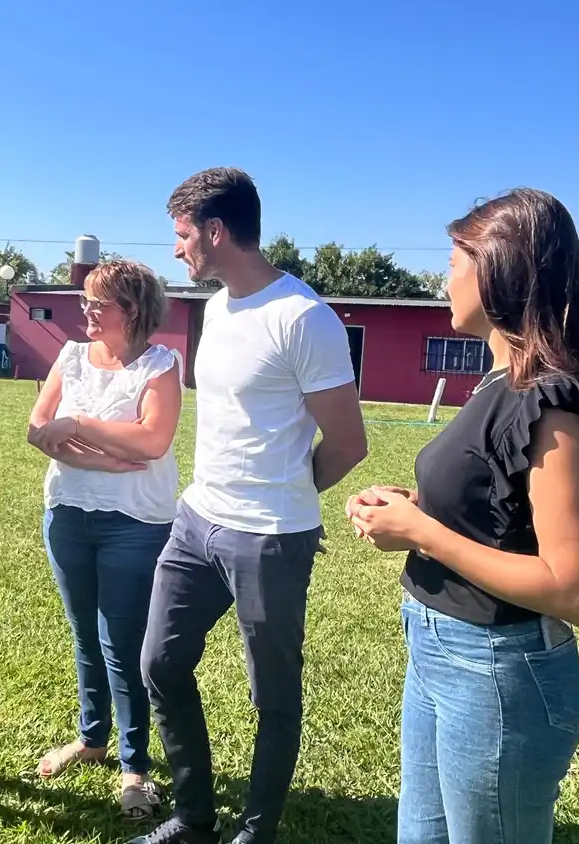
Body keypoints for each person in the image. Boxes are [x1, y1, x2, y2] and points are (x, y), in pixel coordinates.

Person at [346, 188, 579, 844]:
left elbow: (574, 590)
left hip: (497, 672)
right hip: (441, 653)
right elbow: (500, 511)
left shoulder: (552, 405)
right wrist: (417, 507)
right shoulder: (495, 384)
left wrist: (421, 532)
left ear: (498, 269)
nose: (442, 278)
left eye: (454, 260)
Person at [134, 168, 370, 844]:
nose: (177, 250)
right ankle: (193, 817)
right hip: (196, 521)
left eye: (182, 236)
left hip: (269, 536)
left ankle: (255, 833)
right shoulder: (215, 308)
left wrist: (287, 498)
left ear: (215, 231)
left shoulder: (303, 318)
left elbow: (348, 442)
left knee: (272, 698)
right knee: (161, 663)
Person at [25, 260, 184, 824]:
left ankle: (135, 767)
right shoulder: (70, 357)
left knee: (123, 643)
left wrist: (78, 427)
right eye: (85, 301)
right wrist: (84, 451)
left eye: (99, 303)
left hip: (135, 523)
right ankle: (92, 739)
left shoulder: (163, 365)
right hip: (67, 514)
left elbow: (154, 440)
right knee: (84, 636)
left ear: (133, 310)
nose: (86, 312)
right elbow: (36, 428)